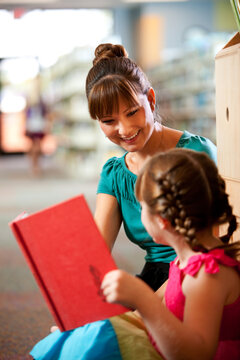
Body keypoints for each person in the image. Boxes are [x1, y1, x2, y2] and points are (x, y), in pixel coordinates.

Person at [30, 149, 240, 360]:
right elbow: (145, 314)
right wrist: (78, 333)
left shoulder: (206, 276)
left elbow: (195, 354)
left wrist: (142, 297)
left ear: (161, 220)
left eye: (142, 207)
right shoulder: (186, 260)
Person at [86, 43, 217, 290]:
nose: (124, 129)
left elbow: (220, 241)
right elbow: (96, 254)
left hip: (201, 275)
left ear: (151, 99)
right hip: (155, 277)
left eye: (132, 112)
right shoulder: (115, 173)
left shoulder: (197, 154)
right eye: (108, 121)